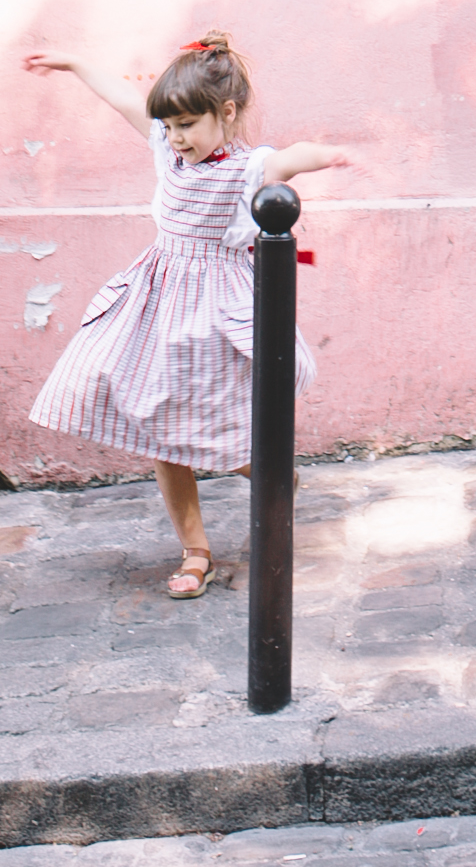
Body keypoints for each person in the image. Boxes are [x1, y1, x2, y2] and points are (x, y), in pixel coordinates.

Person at [22, 32, 352, 597]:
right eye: (169, 127)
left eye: (186, 127)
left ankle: (269, 471)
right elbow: (125, 101)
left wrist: (330, 156)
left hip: (219, 311)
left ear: (225, 114)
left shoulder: (250, 168)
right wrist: (76, 62)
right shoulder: (166, 147)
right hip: (157, 305)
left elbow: (291, 157)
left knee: (225, 427)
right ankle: (195, 549)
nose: (174, 139)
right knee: (162, 431)